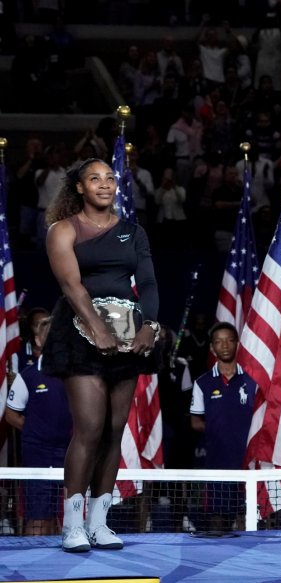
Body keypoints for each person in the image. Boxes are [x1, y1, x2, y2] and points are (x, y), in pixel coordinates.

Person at [41, 158, 160, 552]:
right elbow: (72, 286)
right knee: (90, 427)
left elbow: (147, 280)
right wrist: (95, 328)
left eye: (110, 178)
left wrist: (150, 325)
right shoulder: (63, 230)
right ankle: (71, 525)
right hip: (79, 335)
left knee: (114, 429)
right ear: (79, 187)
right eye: (95, 179)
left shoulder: (132, 231)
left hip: (128, 338)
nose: (104, 185)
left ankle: (99, 522)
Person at [5, 315, 72, 535]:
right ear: (38, 340)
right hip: (38, 457)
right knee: (38, 519)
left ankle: (56, 568)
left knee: (64, 522)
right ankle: (32, 565)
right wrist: (37, 431)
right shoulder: (28, 377)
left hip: (69, 455)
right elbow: (11, 415)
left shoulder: (75, 377)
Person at [189, 322, 256, 531]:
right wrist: (218, 431)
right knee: (218, 517)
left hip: (249, 460)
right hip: (217, 461)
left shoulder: (254, 380)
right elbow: (195, 421)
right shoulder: (203, 383)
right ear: (212, 348)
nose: (224, 345)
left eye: (229, 340)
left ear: (237, 344)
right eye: (218, 342)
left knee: (250, 515)